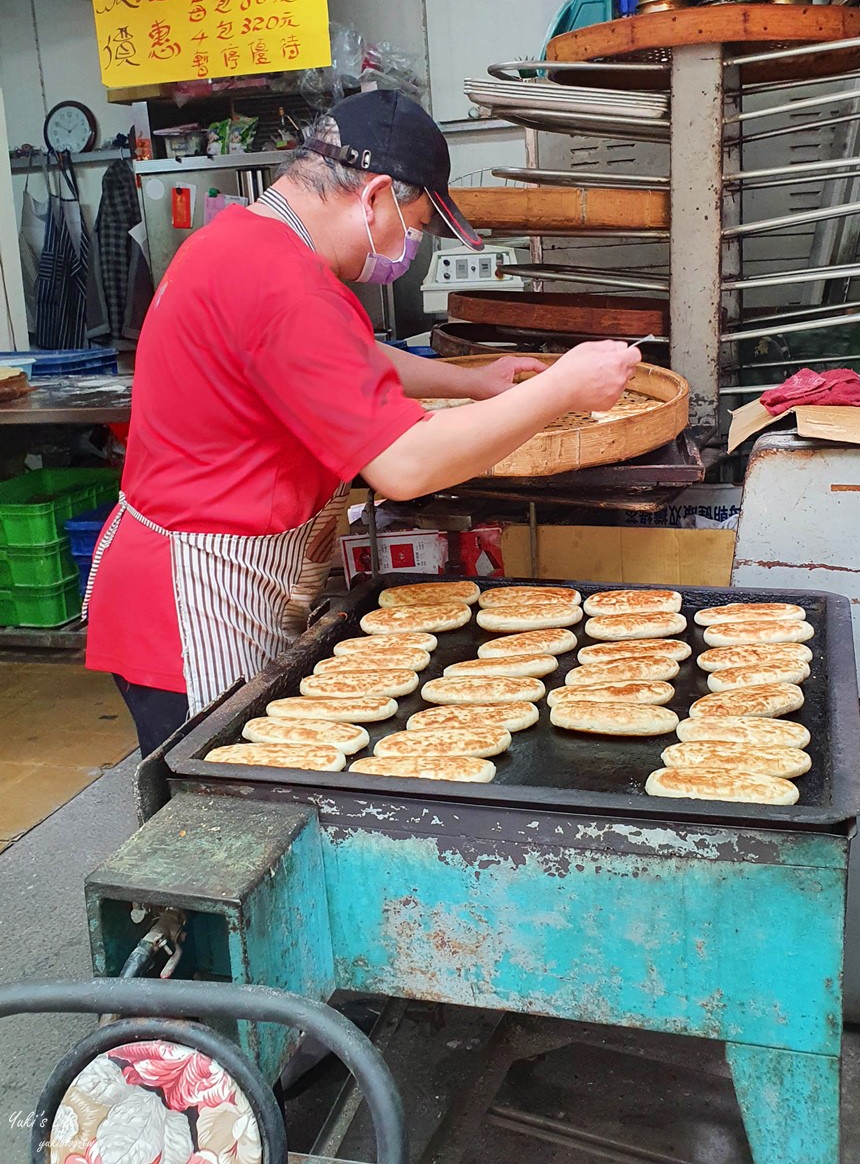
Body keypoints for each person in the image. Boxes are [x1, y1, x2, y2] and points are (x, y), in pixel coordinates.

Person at [85, 89, 640, 756]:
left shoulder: (242, 241)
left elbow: (335, 354)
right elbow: (404, 466)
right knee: (216, 808)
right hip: (189, 598)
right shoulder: (284, 281)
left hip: (187, 568)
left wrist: (468, 382)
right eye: (417, 226)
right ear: (373, 194)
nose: (411, 248)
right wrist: (560, 389)